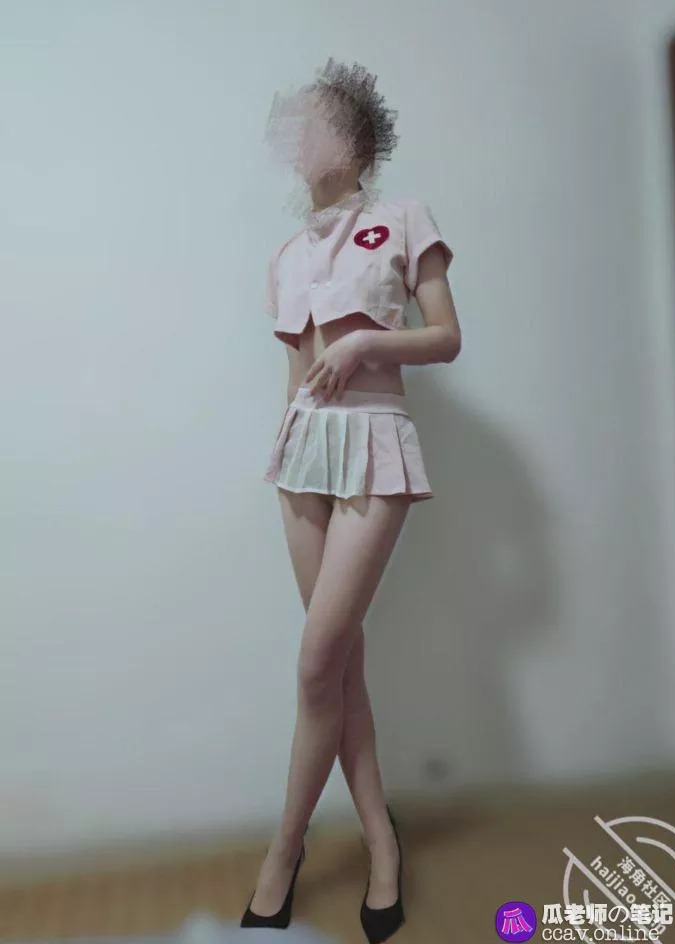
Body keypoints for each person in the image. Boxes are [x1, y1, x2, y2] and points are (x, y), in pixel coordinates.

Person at [241, 59, 461, 943]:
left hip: (373, 443)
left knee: (314, 666)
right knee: (340, 669)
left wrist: (367, 345)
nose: (295, 143)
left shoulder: (403, 219)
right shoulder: (287, 255)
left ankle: (282, 852)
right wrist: (285, 448)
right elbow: (296, 375)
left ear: (354, 136)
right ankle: (381, 843)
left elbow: (444, 337)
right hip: (303, 455)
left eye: (311, 126)